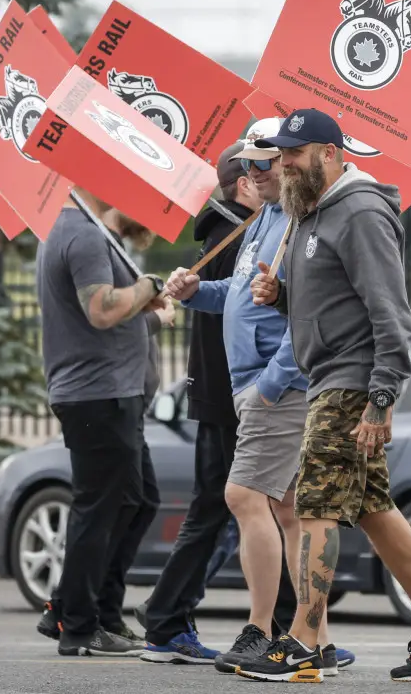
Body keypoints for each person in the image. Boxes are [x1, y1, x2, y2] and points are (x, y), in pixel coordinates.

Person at [244, 108, 411, 684]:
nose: (284, 164)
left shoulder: (363, 212)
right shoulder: (311, 214)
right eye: (281, 155)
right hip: (331, 376)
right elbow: (330, 301)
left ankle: (301, 642)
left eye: (293, 154)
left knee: (314, 507)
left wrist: (382, 396)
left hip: (351, 383)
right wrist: (281, 296)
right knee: (371, 507)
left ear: (329, 152)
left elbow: (390, 312)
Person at [160, 123, 355, 676]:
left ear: (290, 164)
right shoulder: (265, 218)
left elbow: (312, 314)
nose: (252, 175)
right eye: (247, 166)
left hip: (276, 387)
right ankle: (315, 639)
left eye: (264, 164)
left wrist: (272, 382)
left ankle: (262, 630)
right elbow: (242, 294)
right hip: (256, 385)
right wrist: (198, 292)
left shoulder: (298, 220)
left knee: (244, 497)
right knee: (290, 511)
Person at [134, 136, 267, 664]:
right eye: (260, 172)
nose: (269, 179)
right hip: (227, 390)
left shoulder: (233, 228)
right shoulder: (234, 233)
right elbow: (235, 310)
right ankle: (167, 617)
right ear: (242, 184)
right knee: (222, 507)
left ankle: (168, 614)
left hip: (220, 388)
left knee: (233, 507)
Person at [33, 188, 169, 657]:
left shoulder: (83, 233)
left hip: (113, 393)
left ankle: (99, 612)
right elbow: (101, 309)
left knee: (137, 499)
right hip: (98, 396)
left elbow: (102, 316)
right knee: (100, 509)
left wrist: (147, 311)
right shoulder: (84, 235)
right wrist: (149, 286)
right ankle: (76, 622)